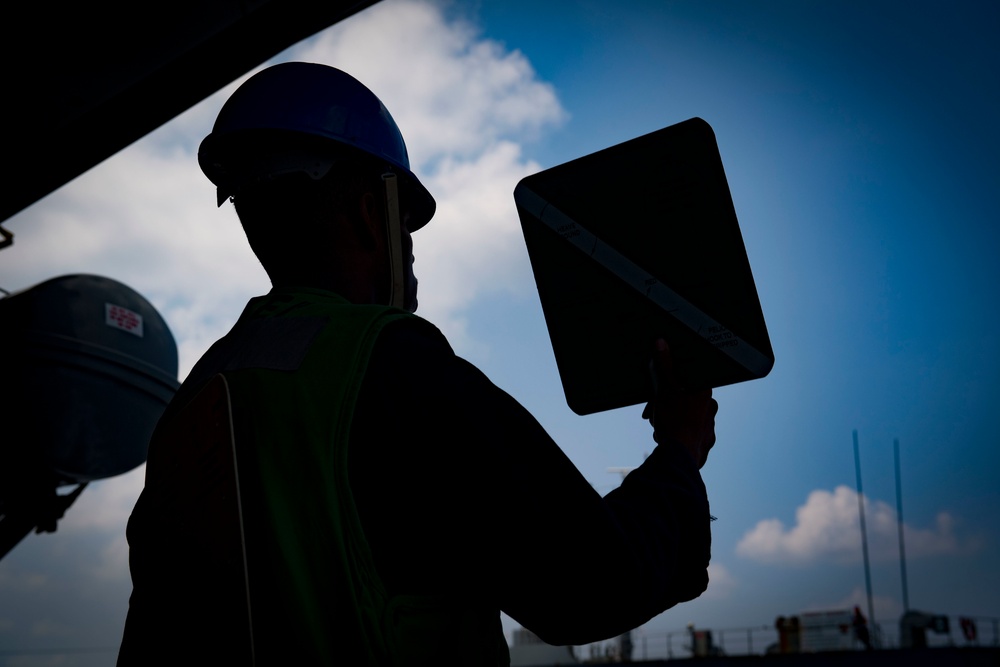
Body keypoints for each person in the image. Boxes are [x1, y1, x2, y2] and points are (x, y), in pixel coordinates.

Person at [117, 61, 718, 666]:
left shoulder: (196, 399)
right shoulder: (389, 364)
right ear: (370, 212)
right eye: (407, 221)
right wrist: (679, 452)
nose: (409, 245)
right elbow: (593, 583)